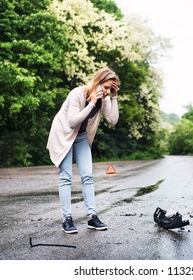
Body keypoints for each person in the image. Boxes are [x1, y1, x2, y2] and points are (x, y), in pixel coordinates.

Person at [47, 67, 119, 233]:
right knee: (66, 177)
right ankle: (67, 220)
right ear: (97, 82)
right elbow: (72, 122)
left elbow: (113, 120)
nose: (107, 92)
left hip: (81, 137)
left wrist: (114, 97)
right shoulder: (78, 93)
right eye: (106, 87)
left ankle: (92, 217)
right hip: (64, 134)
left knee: (87, 175)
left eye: (111, 89)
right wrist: (92, 103)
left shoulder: (105, 99)